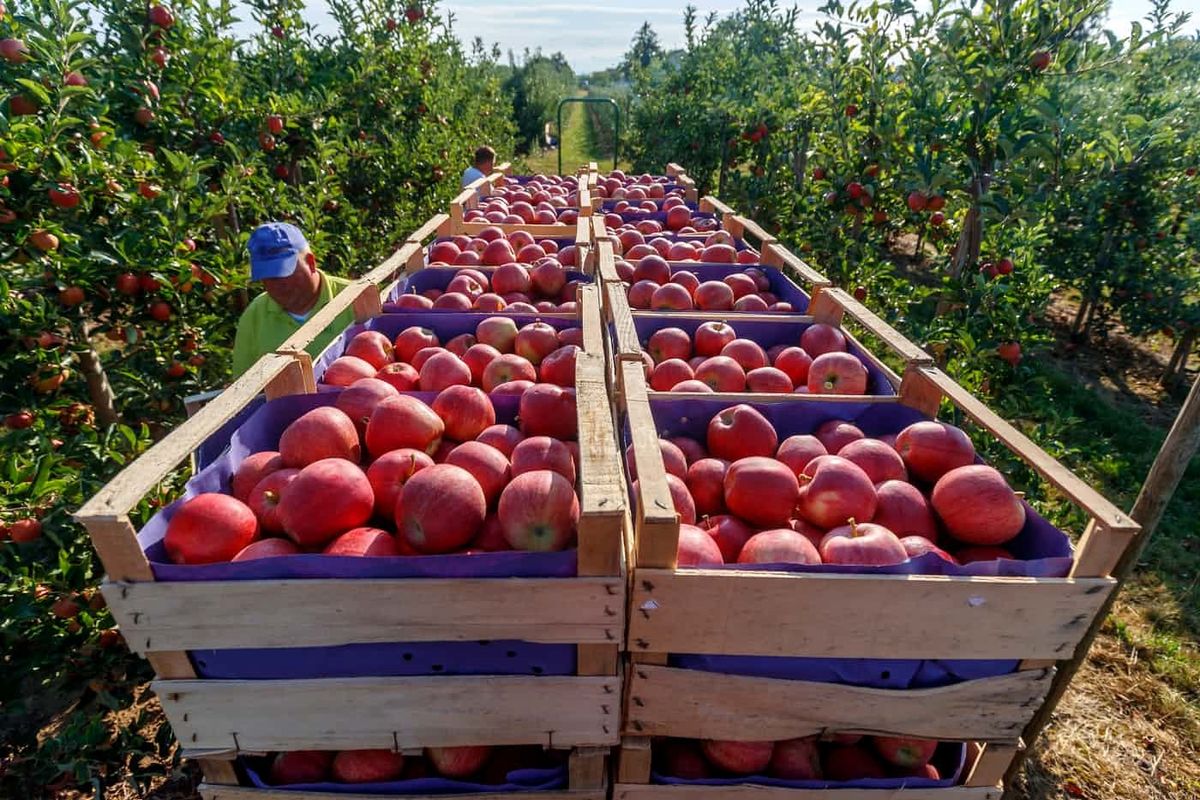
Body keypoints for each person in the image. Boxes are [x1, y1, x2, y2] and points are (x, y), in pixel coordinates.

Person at [231, 222, 356, 377]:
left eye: (284, 272)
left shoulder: (355, 298)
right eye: (267, 276)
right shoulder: (254, 317)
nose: (277, 285)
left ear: (310, 263)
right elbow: (241, 386)